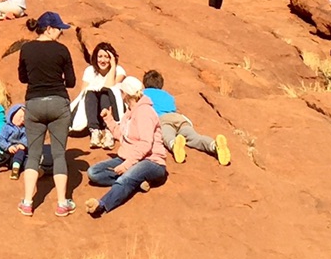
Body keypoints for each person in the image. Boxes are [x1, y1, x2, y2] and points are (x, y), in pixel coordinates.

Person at [16, 12, 77, 217]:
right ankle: (62, 203)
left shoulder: (26, 48)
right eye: (59, 29)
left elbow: (22, 78)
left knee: (34, 154)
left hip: (33, 103)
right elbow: (71, 82)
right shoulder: (61, 50)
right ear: (49, 29)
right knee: (59, 154)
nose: (61, 33)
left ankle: (27, 202)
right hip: (58, 103)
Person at [85, 77, 169, 216]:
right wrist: (109, 119)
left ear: (126, 94)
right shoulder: (129, 113)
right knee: (94, 172)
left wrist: (127, 165)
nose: (120, 94)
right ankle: (137, 182)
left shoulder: (145, 112)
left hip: (151, 161)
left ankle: (102, 205)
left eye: (121, 91)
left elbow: (146, 144)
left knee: (126, 177)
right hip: (130, 157)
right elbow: (122, 136)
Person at [140, 69, 231, 164]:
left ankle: (175, 145)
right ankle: (213, 145)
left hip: (163, 119)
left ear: (145, 83)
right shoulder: (168, 96)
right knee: (195, 137)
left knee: (167, 136)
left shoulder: (144, 93)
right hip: (179, 118)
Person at [72, 41, 127, 147]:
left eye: (107, 57)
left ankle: (109, 131)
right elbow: (84, 92)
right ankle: (95, 131)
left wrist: (113, 66)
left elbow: (111, 87)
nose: (103, 60)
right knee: (90, 93)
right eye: (100, 56)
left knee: (106, 93)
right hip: (94, 111)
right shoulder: (90, 70)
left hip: (112, 109)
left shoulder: (119, 70)